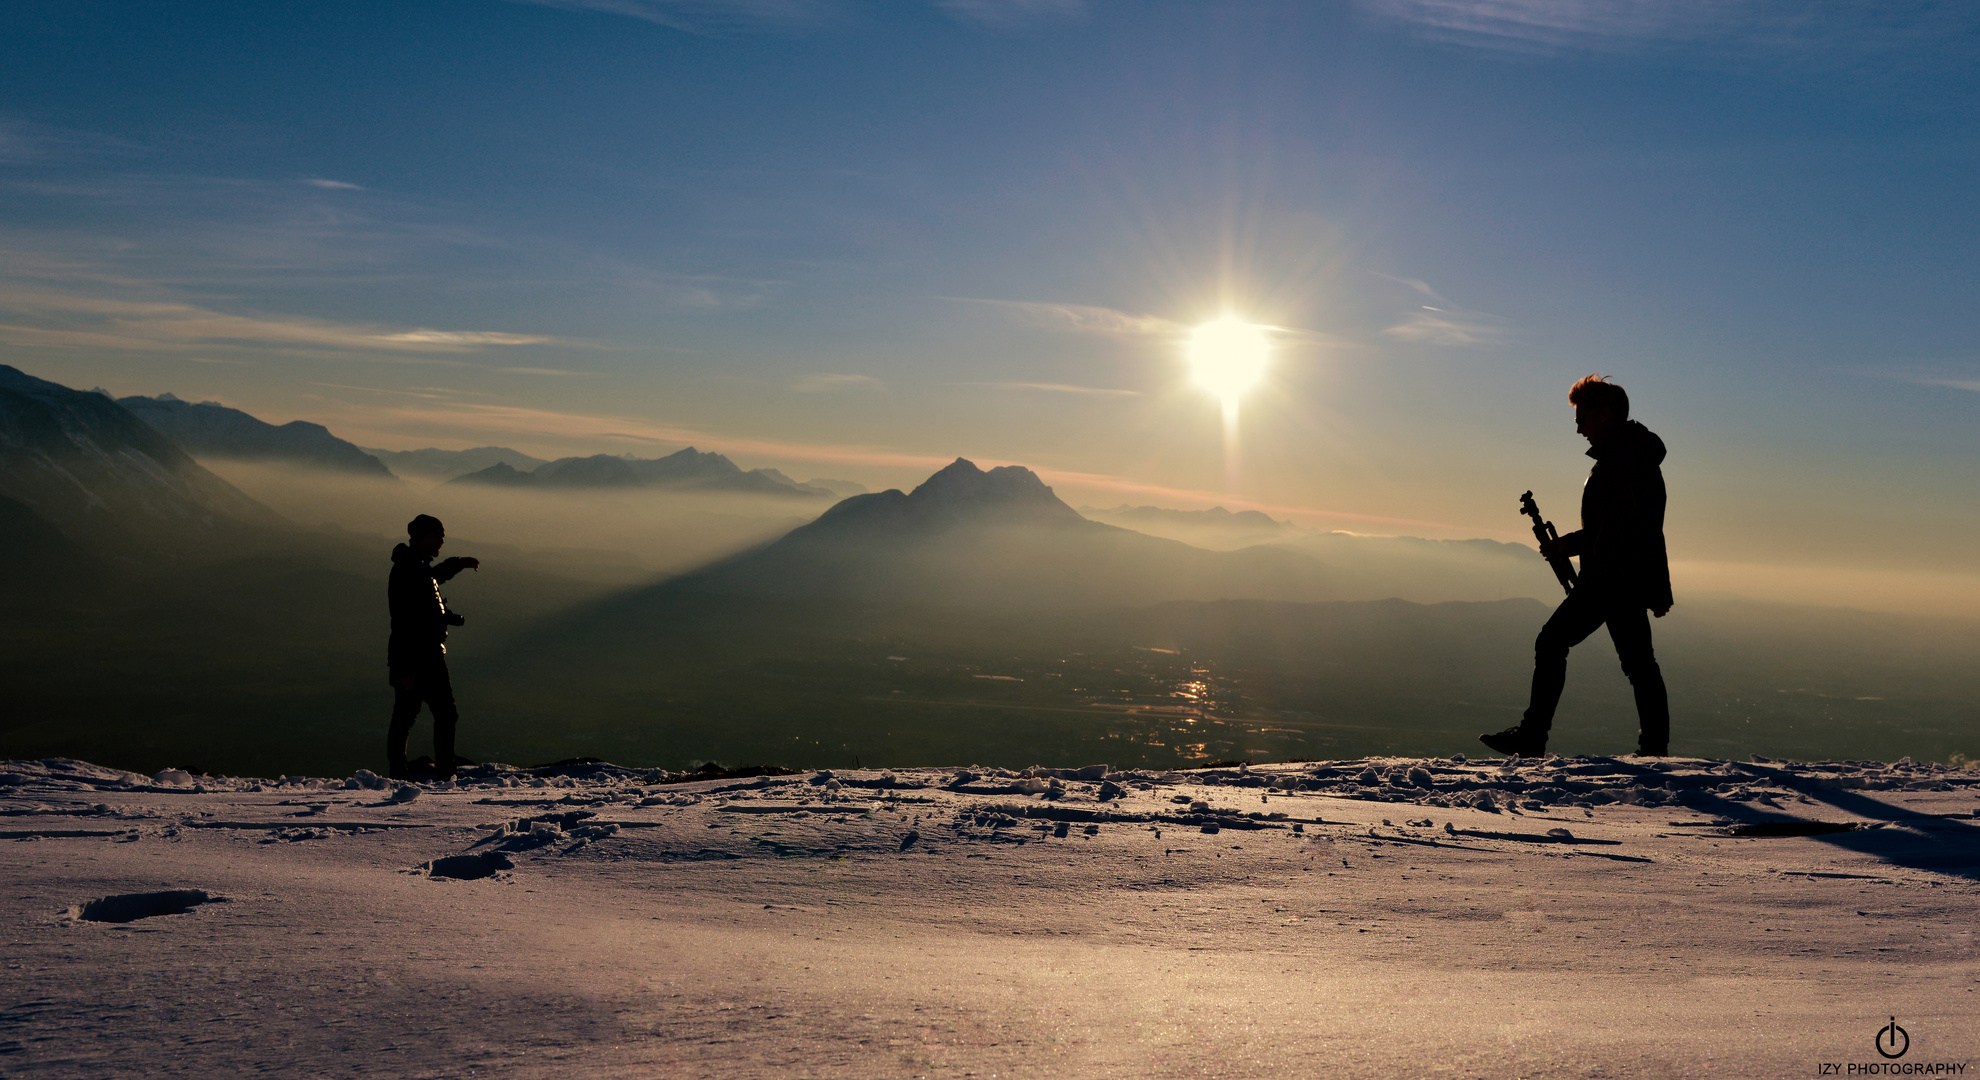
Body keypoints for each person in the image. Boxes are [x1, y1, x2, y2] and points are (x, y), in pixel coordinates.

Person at [1482, 375, 1672, 758]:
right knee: (1639, 665)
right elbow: (1632, 530)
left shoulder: (1624, 463)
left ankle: (1533, 738)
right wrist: (1655, 587)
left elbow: (1621, 532)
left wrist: (1566, 547)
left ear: (1605, 415)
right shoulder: (1632, 458)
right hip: (1623, 579)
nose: (1578, 427)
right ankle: (1653, 749)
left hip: (1609, 579)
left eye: (1583, 417)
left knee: (1552, 642)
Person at [387, 514, 479, 781]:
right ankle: (443, 772)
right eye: (438, 535)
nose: (441, 540)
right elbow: (406, 620)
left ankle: (403, 773)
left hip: (420, 654)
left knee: (409, 715)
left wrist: (446, 616)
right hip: (420, 656)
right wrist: (403, 665)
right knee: (438, 713)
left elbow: (425, 597)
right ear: (422, 537)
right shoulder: (410, 568)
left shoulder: (414, 566)